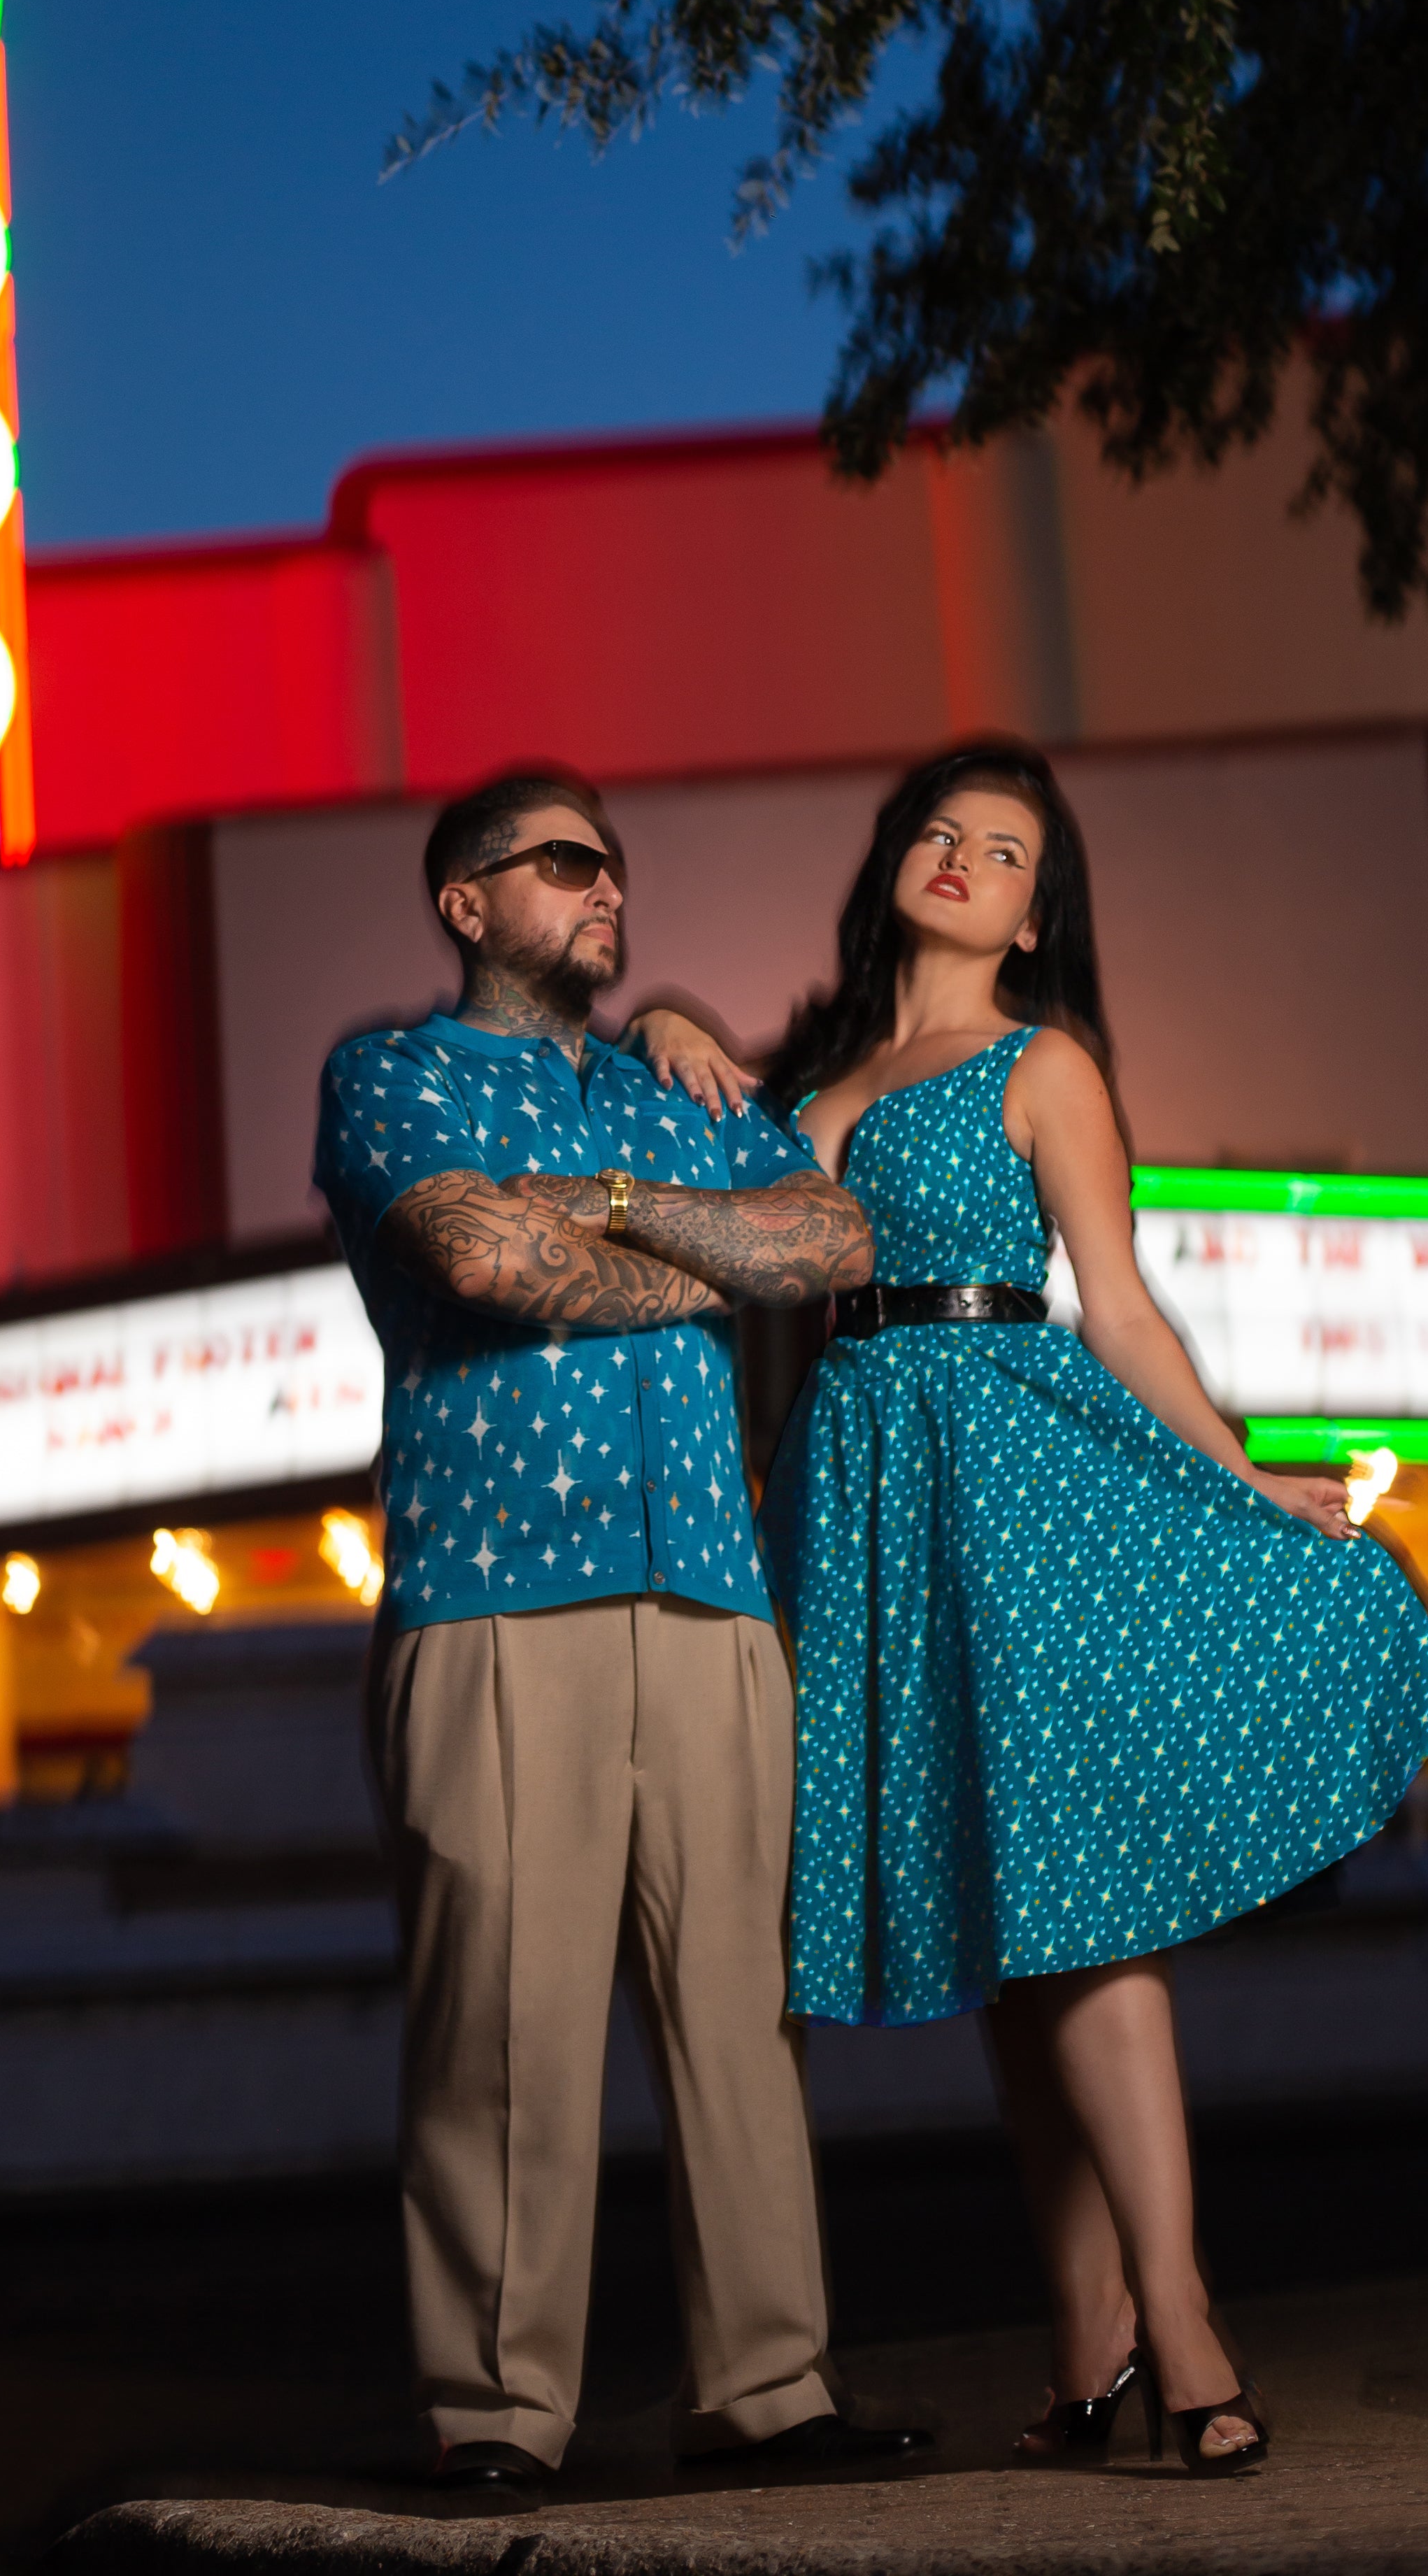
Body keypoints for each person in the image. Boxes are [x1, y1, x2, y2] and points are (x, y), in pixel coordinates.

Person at [633, 742, 1428, 2482]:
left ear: (1037, 916)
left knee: (1080, 1916)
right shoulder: (814, 1082)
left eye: (1004, 850)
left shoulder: (1047, 1064)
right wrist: (661, 1016)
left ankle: (1180, 2326)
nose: (962, 859)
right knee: (1004, 1952)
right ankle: (1089, 2337)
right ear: (895, 863)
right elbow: (707, 1191)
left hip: (1022, 1479)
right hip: (858, 1494)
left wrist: (1247, 1481)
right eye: (940, 833)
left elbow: (1124, 1310)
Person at [313, 766, 913, 2497]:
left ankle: (766, 2389)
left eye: (617, 869)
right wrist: (696, 1256)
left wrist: (629, 1208)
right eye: (568, 862)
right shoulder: (393, 1073)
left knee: (742, 2012)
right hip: (501, 1597)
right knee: (502, 2018)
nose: (607, 890)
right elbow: (481, 1260)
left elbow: (828, 1236)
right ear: (467, 900)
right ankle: (499, 2412)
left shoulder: (684, 1084)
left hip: (714, 1600)